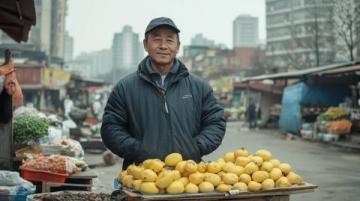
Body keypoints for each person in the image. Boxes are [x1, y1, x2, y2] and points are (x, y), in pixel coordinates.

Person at [101, 17, 226, 170]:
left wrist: (195, 147)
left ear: (178, 46)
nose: (163, 46)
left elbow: (215, 121)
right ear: (146, 45)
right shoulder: (125, 88)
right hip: (142, 176)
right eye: (156, 39)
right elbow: (111, 128)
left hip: (189, 175)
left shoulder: (199, 87)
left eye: (169, 40)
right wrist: (139, 150)